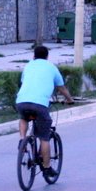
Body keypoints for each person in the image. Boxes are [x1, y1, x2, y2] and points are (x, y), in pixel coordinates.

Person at [15, 46, 75, 179]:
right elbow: (61, 88)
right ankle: (47, 168)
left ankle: (22, 139)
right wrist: (69, 100)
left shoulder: (28, 66)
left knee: (24, 117)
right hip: (40, 105)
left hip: (21, 101)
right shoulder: (52, 67)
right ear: (47, 57)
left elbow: (24, 82)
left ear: (33, 56)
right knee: (44, 137)